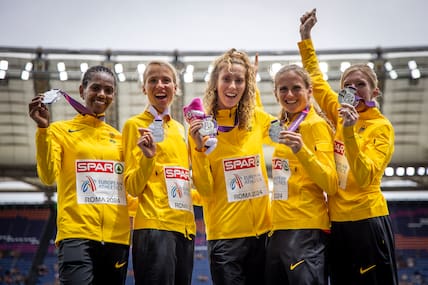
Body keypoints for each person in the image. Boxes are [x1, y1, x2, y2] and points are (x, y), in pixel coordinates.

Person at [298, 9, 398, 285]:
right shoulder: (339, 112)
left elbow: (365, 176)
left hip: (367, 221)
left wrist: (351, 133)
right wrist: (306, 38)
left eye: (360, 85)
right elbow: (316, 82)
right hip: (337, 222)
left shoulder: (382, 127)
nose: (353, 90)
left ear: (374, 92)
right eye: (347, 85)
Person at [28, 65, 131, 285]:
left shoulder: (121, 139)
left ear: (113, 95)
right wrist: (43, 130)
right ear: (82, 90)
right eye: (96, 87)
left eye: (108, 90)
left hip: (116, 238)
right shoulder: (58, 131)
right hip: (76, 235)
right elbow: (47, 176)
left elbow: (130, 187)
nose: (102, 94)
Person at [188, 48, 275, 285]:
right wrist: (198, 148)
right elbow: (204, 190)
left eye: (239, 80)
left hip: (263, 234)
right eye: (227, 79)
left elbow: (285, 133)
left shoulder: (257, 118)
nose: (233, 86)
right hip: (225, 239)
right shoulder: (201, 127)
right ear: (215, 82)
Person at [122, 60, 196, 285]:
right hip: (154, 227)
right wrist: (148, 158)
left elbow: (183, 181)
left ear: (176, 87)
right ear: (144, 88)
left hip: (185, 229)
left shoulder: (181, 129)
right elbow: (132, 187)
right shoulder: (134, 126)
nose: (160, 85)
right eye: (152, 80)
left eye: (166, 80)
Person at [265, 64, 338, 285]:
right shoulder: (285, 125)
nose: (289, 94)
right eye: (283, 89)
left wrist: (302, 151)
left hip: (305, 228)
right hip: (279, 226)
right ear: (275, 93)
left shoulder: (315, 126)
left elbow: (331, 183)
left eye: (296, 88)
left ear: (309, 91)